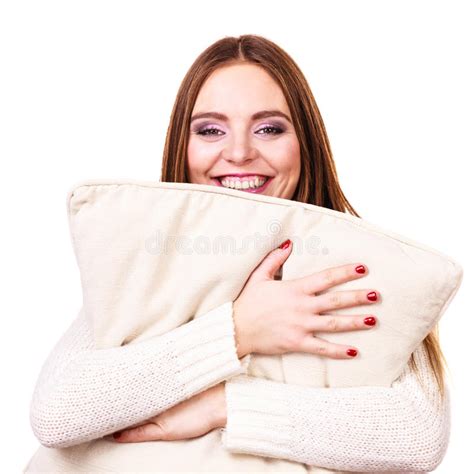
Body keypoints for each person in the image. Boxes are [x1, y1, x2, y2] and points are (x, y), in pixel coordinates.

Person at [27, 34, 450, 472]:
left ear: (305, 143)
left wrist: (223, 405)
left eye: (269, 128)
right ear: (182, 145)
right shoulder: (149, 259)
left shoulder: (355, 262)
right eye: (211, 130)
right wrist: (239, 328)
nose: (240, 152)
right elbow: (58, 414)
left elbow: (415, 435)